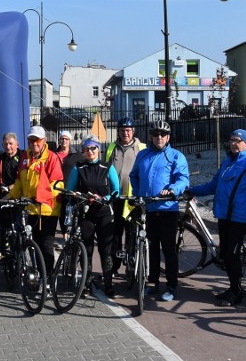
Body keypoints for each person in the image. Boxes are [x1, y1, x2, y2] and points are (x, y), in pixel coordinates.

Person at [188, 129, 246, 307]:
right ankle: (232, 288)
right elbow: (213, 185)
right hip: (224, 216)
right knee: (227, 255)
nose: (233, 144)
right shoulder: (227, 163)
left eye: (237, 140)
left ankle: (236, 292)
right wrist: (192, 190)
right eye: (231, 140)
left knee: (232, 255)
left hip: (239, 217)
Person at [129, 120, 190, 302]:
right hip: (148, 207)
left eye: (163, 134)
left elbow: (183, 179)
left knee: (169, 249)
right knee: (152, 248)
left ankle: (171, 285)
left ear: (168, 137)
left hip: (167, 209)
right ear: (151, 137)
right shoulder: (143, 155)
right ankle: (153, 282)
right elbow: (134, 176)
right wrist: (139, 194)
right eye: (156, 134)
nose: (159, 138)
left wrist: (172, 189)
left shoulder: (176, 156)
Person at [7, 125, 64, 281]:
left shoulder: (52, 157)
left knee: (46, 245)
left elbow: (57, 184)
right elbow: (19, 182)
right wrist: (9, 197)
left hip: (47, 210)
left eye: (37, 140)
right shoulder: (25, 157)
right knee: (34, 244)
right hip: (30, 208)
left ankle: (49, 280)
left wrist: (42, 197)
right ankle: (39, 275)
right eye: (31, 140)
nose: (34, 143)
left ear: (44, 141)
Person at [66, 138, 121, 296]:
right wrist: (76, 195)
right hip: (86, 213)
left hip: (104, 212)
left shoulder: (107, 167)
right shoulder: (79, 168)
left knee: (106, 250)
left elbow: (116, 189)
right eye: (86, 149)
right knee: (87, 250)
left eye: (93, 148)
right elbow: (69, 189)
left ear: (99, 150)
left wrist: (107, 198)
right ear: (83, 151)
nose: (90, 151)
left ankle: (109, 284)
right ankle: (87, 284)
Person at [106, 117, 147, 275]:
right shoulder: (111, 148)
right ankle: (115, 266)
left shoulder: (142, 148)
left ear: (133, 131)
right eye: (122, 130)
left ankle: (131, 265)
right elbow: (106, 171)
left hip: (133, 198)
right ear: (118, 132)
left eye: (128, 130)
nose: (125, 133)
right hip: (116, 197)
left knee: (132, 232)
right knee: (115, 233)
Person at [55, 130, 86, 243]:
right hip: (57, 189)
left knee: (74, 213)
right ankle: (64, 236)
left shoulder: (77, 156)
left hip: (72, 189)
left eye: (66, 139)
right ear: (59, 140)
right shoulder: (53, 154)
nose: (64, 141)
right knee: (62, 214)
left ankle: (75, 235)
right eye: (62, 139)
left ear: (70, 141)